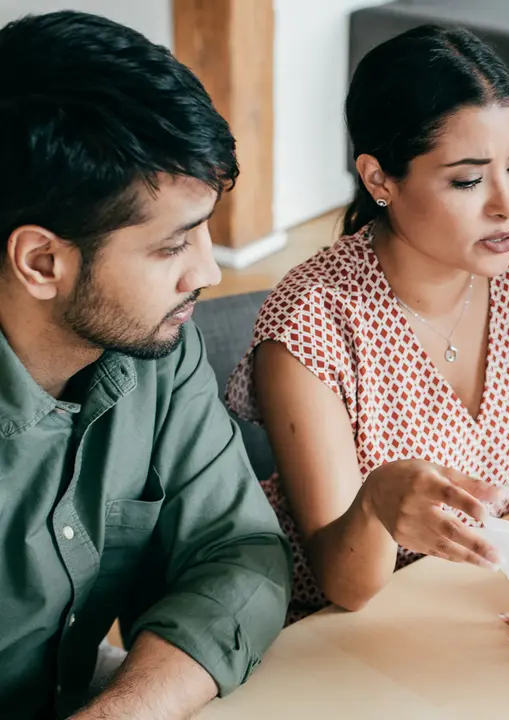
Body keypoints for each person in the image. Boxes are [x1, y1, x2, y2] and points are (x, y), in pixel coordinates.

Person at [225, 24, 509, 658]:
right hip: (330, 633)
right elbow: (343, 585)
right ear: (380, 179)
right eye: (467, 181)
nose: (507, 204)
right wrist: (379, 503)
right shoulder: (310, 318)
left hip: (472, 599)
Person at [0, 11, 290, 720]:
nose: (208, 272)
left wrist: (121, 712)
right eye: (172, 246)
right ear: (43, 261)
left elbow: (239, 553)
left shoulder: (156, 349)